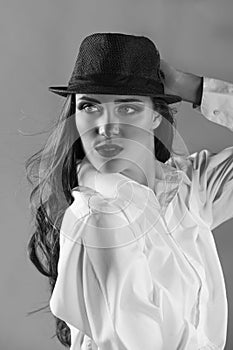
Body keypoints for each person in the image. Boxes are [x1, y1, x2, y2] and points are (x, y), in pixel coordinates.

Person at [25, 33, 233, 350]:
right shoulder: (98, 217)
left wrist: (193, 87)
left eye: (127, 108)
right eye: (90, 106)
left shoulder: (189, 189)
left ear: (154, 117)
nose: (106, 126)